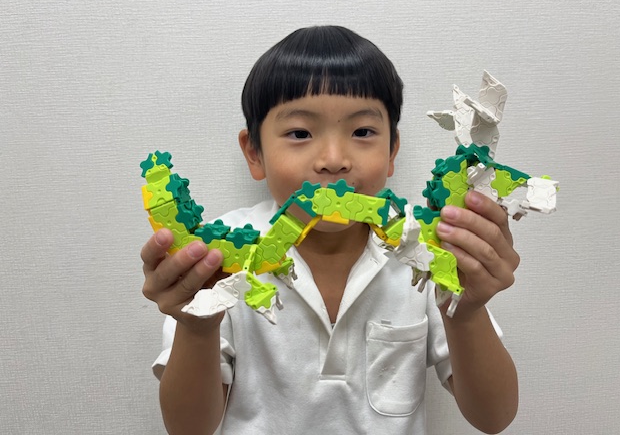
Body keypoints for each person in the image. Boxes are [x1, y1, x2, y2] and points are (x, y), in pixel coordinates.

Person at [141, 26, 519, 434]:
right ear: (254, 153)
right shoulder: (218, 266)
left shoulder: (428, 252)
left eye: (362, 132)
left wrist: (466, 312)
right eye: (300, 133)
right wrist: (197, 327)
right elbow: (188, 429)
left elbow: (493, 417)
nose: (334, 159)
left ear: (392, 150)